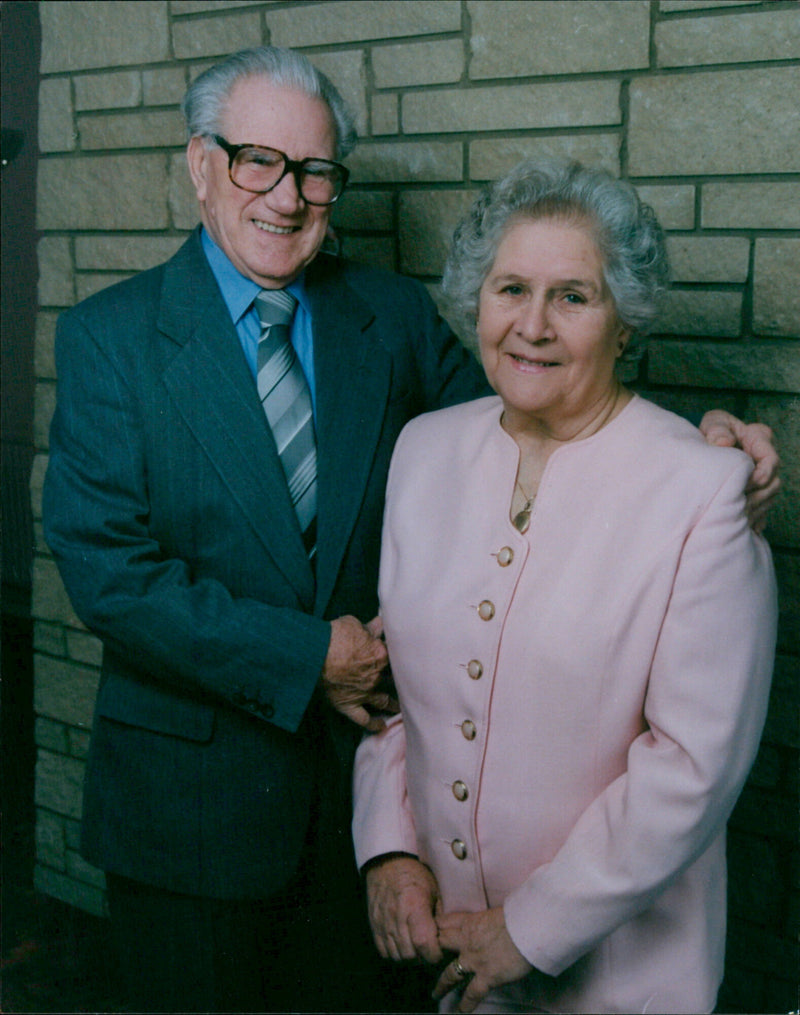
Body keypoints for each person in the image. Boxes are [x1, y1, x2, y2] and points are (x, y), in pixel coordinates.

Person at [43, 44, 776, 1013]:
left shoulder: (384, 315)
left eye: (314, 170)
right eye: (256, 160)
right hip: (194, 805)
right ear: (200, 164)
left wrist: (706, 451)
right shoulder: (110, 335)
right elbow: (108, 571)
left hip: (361, 811)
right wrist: (309, 655)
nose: (286, 195)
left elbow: (543, 406)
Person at [352, 159, 778, 1015]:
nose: (532, 326)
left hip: (623, 975)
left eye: (573, 296)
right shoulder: (424, 450)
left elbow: (693, 766)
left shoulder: (703, 489)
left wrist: (530, 928)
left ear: (626, 323)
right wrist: (389, 848)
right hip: (453, 956)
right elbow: (396, 684)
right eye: (510, 288)